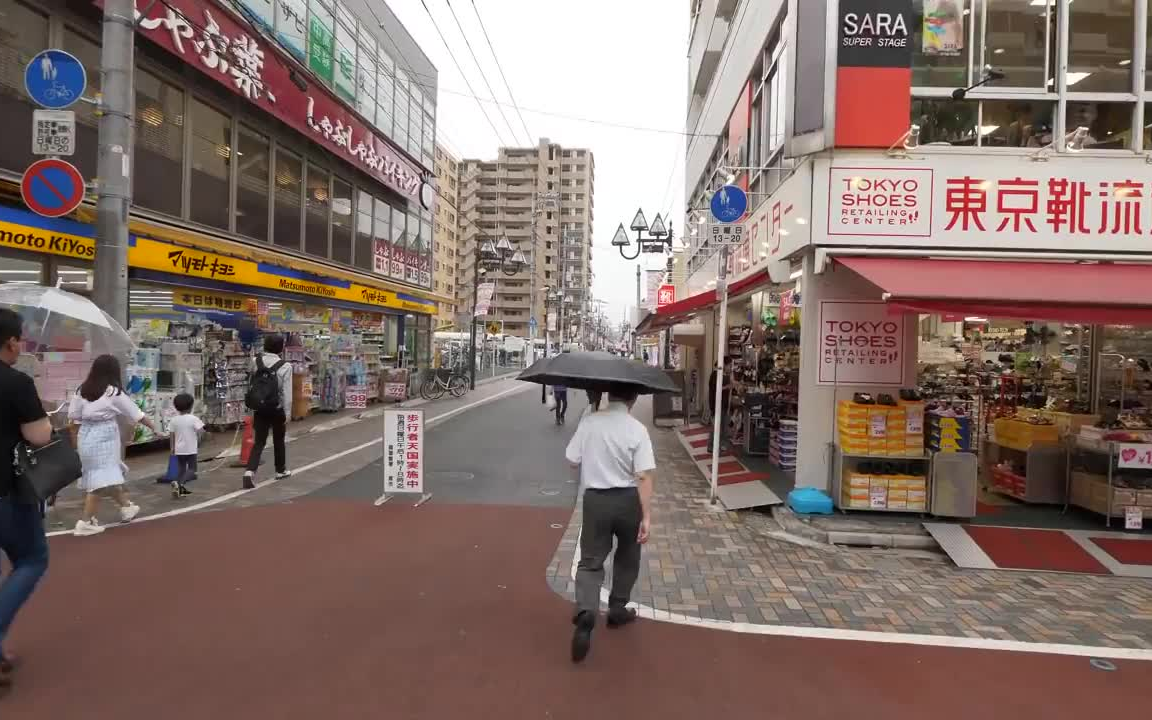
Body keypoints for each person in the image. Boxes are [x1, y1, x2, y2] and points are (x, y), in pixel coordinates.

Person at [564, 383, 655, 663]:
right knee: (628, 555)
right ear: (633, 398)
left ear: (608, 395)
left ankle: (587, 611)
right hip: (628, 501)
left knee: (591, 560)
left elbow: (571, 460)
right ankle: (617, 609)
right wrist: (647, 516)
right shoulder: (637, 429)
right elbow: (644, 477)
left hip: (596, 501)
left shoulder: (590, 422)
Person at [0, 309, 52, 690]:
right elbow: (38, 437)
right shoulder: (16, 383)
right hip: (6, 491)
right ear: (11, 341)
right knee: (32, 559)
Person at [69, 354, 160, 537]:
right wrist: (155, 429)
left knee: (105, 474)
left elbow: (73, 417)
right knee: (101, 480)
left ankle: (126, 507)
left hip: (85, 436)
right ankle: (85, 522)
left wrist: (75, 442)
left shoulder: (82, 390)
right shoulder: (113, 392)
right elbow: (136, 413)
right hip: (105, 437)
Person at [243, 334, 293, 490]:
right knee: (279, 440)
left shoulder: (255, 361)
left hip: (260, 407)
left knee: (259, 441)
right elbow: (286, 392)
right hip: (276, 408)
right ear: (281, 348)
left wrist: (250, 405)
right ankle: (281, 470)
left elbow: (251, 383)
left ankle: (250, 471)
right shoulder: (285, 366)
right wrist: (288, 412)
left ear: (264, 345)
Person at [167, 393, 203, 499]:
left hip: (179, 449)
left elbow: (171, 435)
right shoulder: (193, 418)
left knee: (181, 469)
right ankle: (180, 483)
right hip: (190, 449)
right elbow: (201, 431)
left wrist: (172, 448)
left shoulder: (174, 420)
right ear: (191, 406)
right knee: (192, 470)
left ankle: (178, 488)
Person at [708, 356, 733, 452]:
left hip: (723, 404)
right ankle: (711, 446)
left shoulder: (724, 375)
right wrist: (727, 387)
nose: (730, 368)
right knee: (716, 426)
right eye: (729, 365)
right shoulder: (715, 375)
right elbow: (717, 389)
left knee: (723, 426)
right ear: (724, 365)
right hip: (716, 404)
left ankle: (720, 445)